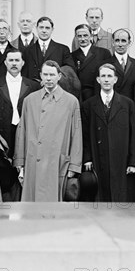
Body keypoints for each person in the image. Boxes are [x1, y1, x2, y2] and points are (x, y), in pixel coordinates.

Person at [14, 60, 83, 202]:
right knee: (32, 206)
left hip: (57, 161)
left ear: (59, 76)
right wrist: (20, 161)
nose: (48, 78)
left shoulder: (71, 102)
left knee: (53, 208)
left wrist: (74, 165)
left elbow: (76, 134)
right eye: (45, 74)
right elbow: (22, 132)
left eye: (52, 74)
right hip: (33, 160)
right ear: (41, 76)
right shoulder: (30, 100)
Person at [0, 49, 40, 201]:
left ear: (23, 63)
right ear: (5, 63)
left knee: (25, 174)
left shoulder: (33, 86)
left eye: (17, 60)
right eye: (11, 60)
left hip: (26, 136)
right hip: (2, 138)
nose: (14, 64)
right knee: (5, 177)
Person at [81, 64, 135, 202]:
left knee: (120, 195)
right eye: (103, 76)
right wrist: (87, 158)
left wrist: (133, 162)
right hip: (98, 156)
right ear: (98, 80)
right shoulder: (88, 105)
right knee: (100, 196)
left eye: (109, 76)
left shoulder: (127, 104)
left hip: (121, 158)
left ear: (115, 79)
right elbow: (84, 135)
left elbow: (133, 134)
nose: (106, 80)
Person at [22, 16, 75, 82]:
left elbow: (69, 72)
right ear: (36, 28)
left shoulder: (63, 50)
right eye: (41, 27)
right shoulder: (27, 51)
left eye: (47, 28)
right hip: (34, 89)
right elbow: (24, 74)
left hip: (55, 88)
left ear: (52, 29)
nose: (44, 31)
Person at [71, 24, 112, 102]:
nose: (82, 39)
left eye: (85, 35)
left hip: (98, 94)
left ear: (91, 36)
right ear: (76, 38)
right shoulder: (72, 56)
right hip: (80, 96)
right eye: (79, 36)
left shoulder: (103, 53)